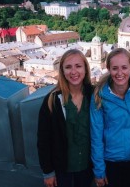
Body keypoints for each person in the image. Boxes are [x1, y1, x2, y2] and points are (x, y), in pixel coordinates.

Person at [90, 48, 130, 187]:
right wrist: (99, 171)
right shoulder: (100, 95)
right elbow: (96, 136)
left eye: (124, 67)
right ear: (108, 69)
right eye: (115, 68)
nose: (120, 73)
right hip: (111, 163)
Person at [37, 49, 94, 187]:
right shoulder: (52, 101)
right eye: (68, 67)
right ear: (62, 71)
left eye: (78, 66)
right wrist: (48, 172)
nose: (73, 72)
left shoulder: (94, 96)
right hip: (62, 171)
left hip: (88, 168)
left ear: (85, 69)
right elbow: (44, 140)